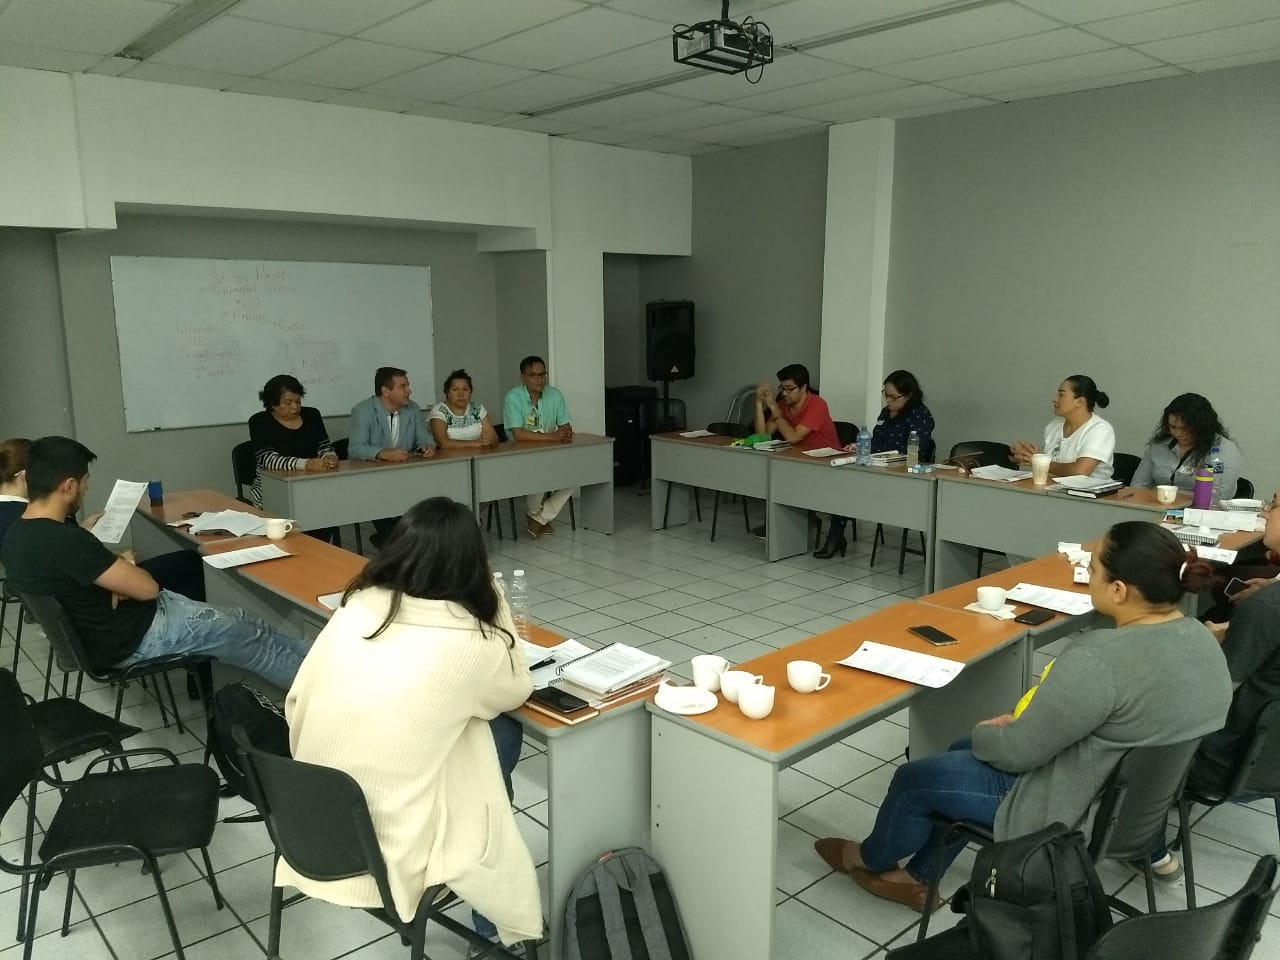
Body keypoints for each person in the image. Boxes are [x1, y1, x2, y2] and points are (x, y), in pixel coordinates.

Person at [812, 521, 1231, 912]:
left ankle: (867, 858)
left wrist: (987, 732)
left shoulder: (1098, 658)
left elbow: (1017, 753)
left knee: (915, 778)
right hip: (1134, 811)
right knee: (958, 752)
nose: (1087, 573)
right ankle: (918, 875)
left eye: (1093, 567)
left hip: (1066, 809)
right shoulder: (1204, 640)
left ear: (1118, 590)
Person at [280, 496, 541, 950]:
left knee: (459, 727)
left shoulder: (358, 605)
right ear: (473, 567)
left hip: (310, 817)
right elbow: (517, 688)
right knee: (494, 732)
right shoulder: (472, 641)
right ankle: (490, 926)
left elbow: (296, 701)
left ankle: (490, 925)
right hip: (387, 844)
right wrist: (495, 602)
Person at [1, 437, 308, 688]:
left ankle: (318, 662)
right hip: (136, 637)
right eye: (85, 482)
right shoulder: (65, 540)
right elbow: (147, 589)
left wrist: (117, 577)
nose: (87, 489)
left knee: (245, 621)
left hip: (110, 634)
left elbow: (85, 574)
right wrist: (125, 573)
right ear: (68, 486)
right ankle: (316, 692)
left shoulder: (17, 534)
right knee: (244, 634)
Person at [0, 436, 205, 601]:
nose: (87, 489)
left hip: (84, 590)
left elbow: (59, 557)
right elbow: (146, 588)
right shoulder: (33, 522)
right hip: (98, 597)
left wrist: (83, 532)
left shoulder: (23, 522)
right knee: (190, 562)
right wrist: (123, 565)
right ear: (26, 476)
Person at [1192, 489, 1280, 796]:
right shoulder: (1267, 605)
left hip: (1228, 762)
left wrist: (1207, 646)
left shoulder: (1264, 609)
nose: (1265, 513)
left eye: (1274, 505)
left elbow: (1215, 693)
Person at [817, 370, 935, 559]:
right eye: (885, 395)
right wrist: (860, 446)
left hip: (901, 475)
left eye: (893, 397)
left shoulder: (921, 415)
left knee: (848, 486)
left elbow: (916, 452)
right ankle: (835, 535)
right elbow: (878, 442)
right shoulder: (886, 413)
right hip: (876, 468)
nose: (888, 400)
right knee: (842, 481)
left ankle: (835, 536)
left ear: (909, 395)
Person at [347, 367, 436, 549]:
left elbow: (425, 438)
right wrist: (384, 453)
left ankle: (390, 539)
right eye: (402, 386)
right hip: (371, 479)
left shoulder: (412, 408)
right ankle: (393, 541)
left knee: (426, 497)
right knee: (380, 503)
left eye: (408, 385)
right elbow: (355, 449)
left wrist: (427, 447)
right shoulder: (362, 410)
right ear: (385, 391)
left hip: (405, 475)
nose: (409, 390)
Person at [248, 374, 339, 542]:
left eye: (298, 401)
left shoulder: (312, 415)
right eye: (288, 402)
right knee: (290, 532)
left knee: (330, 511)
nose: (295, 407)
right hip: (273, 490)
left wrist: (329, 456)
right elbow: (267, 460)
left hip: (314, 487)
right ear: (273, 403)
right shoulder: (259, 421)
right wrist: (306, 464)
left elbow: (324, 446)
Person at [502, 356, 573, 539]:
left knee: (575, 474)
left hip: (550, 450)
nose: (539, 379)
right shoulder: (513, 397)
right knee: (540, 472)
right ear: (523, 377)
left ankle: (539, 518)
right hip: (519, 453)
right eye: (533, 375)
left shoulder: (554, 394)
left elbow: (565, 426)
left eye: (543, 375)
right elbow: (518, 434)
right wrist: (552, 437)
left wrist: (566, 432)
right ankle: (537, 517)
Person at [1131, 392, 1243, 496]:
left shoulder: (1224, 450)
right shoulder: (1159, 446)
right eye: (1172, 427)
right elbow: (1138, 486)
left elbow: (1221, 494)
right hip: (1156, 505)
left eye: (1184, 429)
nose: (1177, 434)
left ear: (1201, 426)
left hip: (1198, 508)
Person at [1011, 374, 1115, 480]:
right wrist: (1026, 455)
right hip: (1054, 487)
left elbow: (1080, 472)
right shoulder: (1054, 426)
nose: (1054, 399)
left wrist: (1039, 462)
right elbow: (1051, 467)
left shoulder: (1100, 429)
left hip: (1089, 490)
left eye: (1061, 395)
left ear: (1080, 401)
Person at [753, 362, 840, 454]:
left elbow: (793, 438)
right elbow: (763, 438)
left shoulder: (817, 404)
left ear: (803, 387)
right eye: (782, 388)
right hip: (799, 456)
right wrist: (758, 403)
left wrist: (776, 412)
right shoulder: (783, 404)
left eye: (789, 388)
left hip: (826, 458)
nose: (784, 393)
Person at [428, 369, 499, 449]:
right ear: (448, 393)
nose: (461, 394)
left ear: (470, 392)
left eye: (465, 389)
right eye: (455, 390)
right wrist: (476, 443)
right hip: (449, 456)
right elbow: (443, 443)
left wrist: (491, 440)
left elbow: (494, 438)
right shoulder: (439, 410)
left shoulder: (478, 408)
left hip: (479, 454)